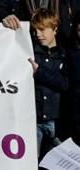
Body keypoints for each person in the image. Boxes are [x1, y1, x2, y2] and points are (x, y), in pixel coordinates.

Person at [31, 9, 68, 159]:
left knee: (68, 160)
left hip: (57, 121)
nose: (38, 34)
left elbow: (64, 84)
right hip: (34, 121)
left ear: (55, 29)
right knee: (33, 161)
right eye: (35, 31)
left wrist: (39, 72)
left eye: (42, 29)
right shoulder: (31, 53)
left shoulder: (64, 55)